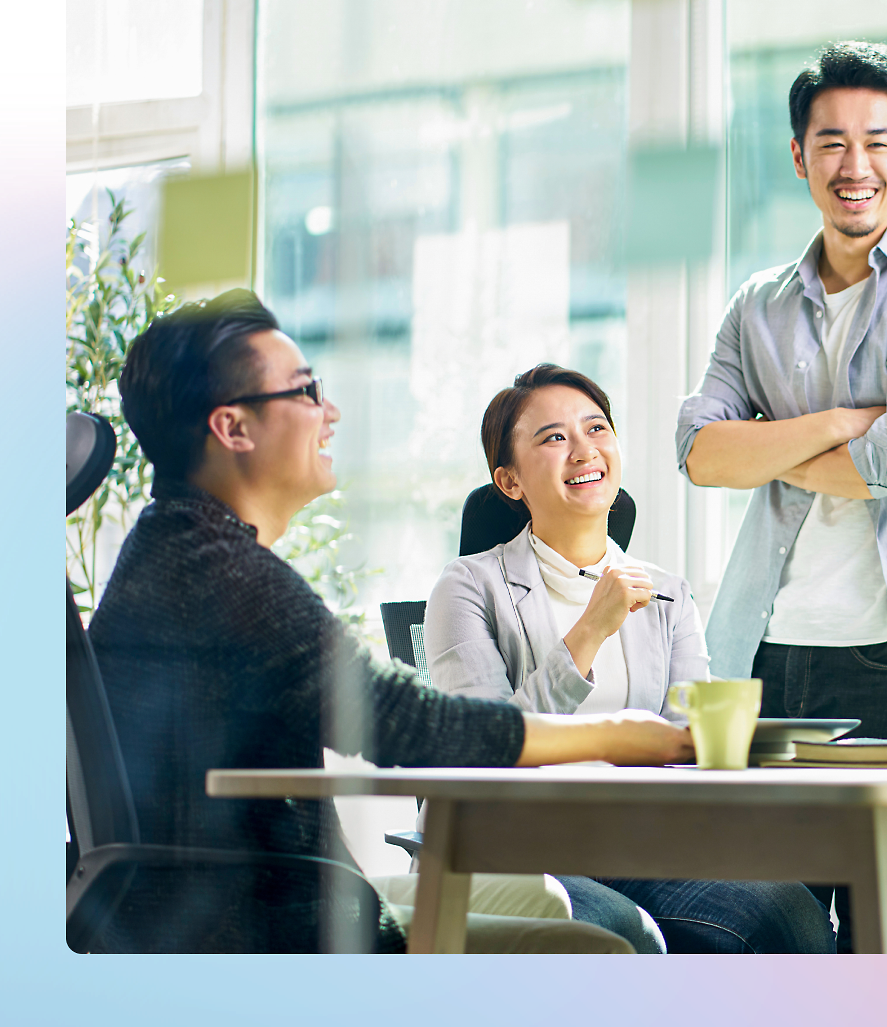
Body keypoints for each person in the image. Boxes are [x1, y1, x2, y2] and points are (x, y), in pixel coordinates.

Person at [89, 291, 692, 954]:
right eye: (306, 391)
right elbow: (415, 726)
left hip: (247, 899)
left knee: (584, 918)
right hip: (265, 921)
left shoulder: (179, 549)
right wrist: (621, 734)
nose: (331, 413)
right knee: (604, 946)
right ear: (234, 428)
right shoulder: (222, 573)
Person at [675, 40, 887, 952]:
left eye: (877, 142)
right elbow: (700, 456)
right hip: (766, 640)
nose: (854, 167)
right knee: (762, 906)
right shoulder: (757, 305)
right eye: (831, 143)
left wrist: (767, 445)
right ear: (798, 157)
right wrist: (839, 423)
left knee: (876, 902)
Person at [424, 363, 835, 954]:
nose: (584, 450)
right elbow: (484, 749)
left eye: (596, 429)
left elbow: (690, 739)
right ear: (509, 481)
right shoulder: (467, 587)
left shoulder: (667, 592)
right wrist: (592, 628)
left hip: (640, 843)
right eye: (554, 437)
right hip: (519, 850)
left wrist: (742, 748)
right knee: (623, 934)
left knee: (790, 913)